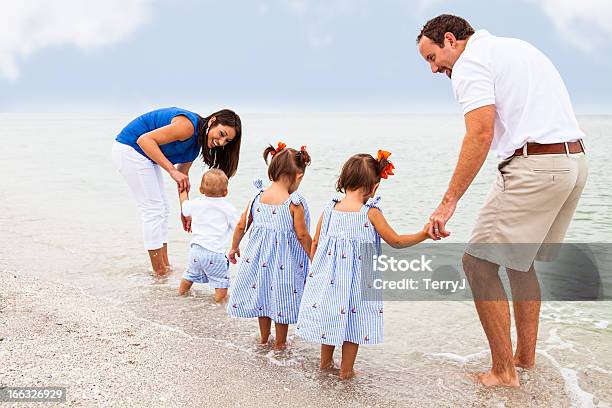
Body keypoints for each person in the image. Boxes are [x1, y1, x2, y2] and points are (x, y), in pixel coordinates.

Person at [416, 14, 588, 387]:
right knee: (519, 263)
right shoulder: (515, 47)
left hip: (536, 166)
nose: (433, 69)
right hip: (572, 162)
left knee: (476, 264)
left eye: (432, 57)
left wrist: (448, 203)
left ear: (450, 40)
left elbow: (479, 133)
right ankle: (523, 359)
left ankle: (502, 372)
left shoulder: (469, 63)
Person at [296, 151, 429, 380]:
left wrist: (316, 270)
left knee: (331, 318)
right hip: (358, 282)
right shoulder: (371, 213)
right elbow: (395, 241)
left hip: (329, 278)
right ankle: (346, 371)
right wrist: (423, 234)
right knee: (353, 323)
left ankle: (325, 364)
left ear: (343, 180)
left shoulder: (330, 209)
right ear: (374, 187)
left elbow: (316, 242)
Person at [111, 107, 242, 276]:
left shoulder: (196, 146)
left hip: (145, 156)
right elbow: (144, 140)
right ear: (212, 121)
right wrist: (171, 170)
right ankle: (159, 270)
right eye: (222, 134)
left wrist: (184, 210)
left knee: (163, 209)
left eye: (227, 141)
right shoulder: (188, 126)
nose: (222, 142)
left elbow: (183, 176)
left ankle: (165, 267)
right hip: (129, 148)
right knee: (153, 209)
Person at [227, 142, 312, 350]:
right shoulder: (294, 202)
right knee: (281, 299)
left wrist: (234, 247)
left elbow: (241, 224)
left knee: (263, 297)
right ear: (298, 176)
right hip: (285, 262)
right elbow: (302, 235)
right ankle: (280, 344)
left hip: (259, 261)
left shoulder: (258, 196)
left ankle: (264, 338)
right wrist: (315, 256)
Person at [178, 169, 239, 302]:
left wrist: (183, 191)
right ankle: (218, 306)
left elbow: (184, 207)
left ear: (200, 189)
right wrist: (236, 246)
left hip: (196, 251)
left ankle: (180, 295)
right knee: (220, 284)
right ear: (226, 192)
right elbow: (238, 228)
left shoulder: (196, 203)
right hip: (215, 253)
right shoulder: (228, 208)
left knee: (189, 275)